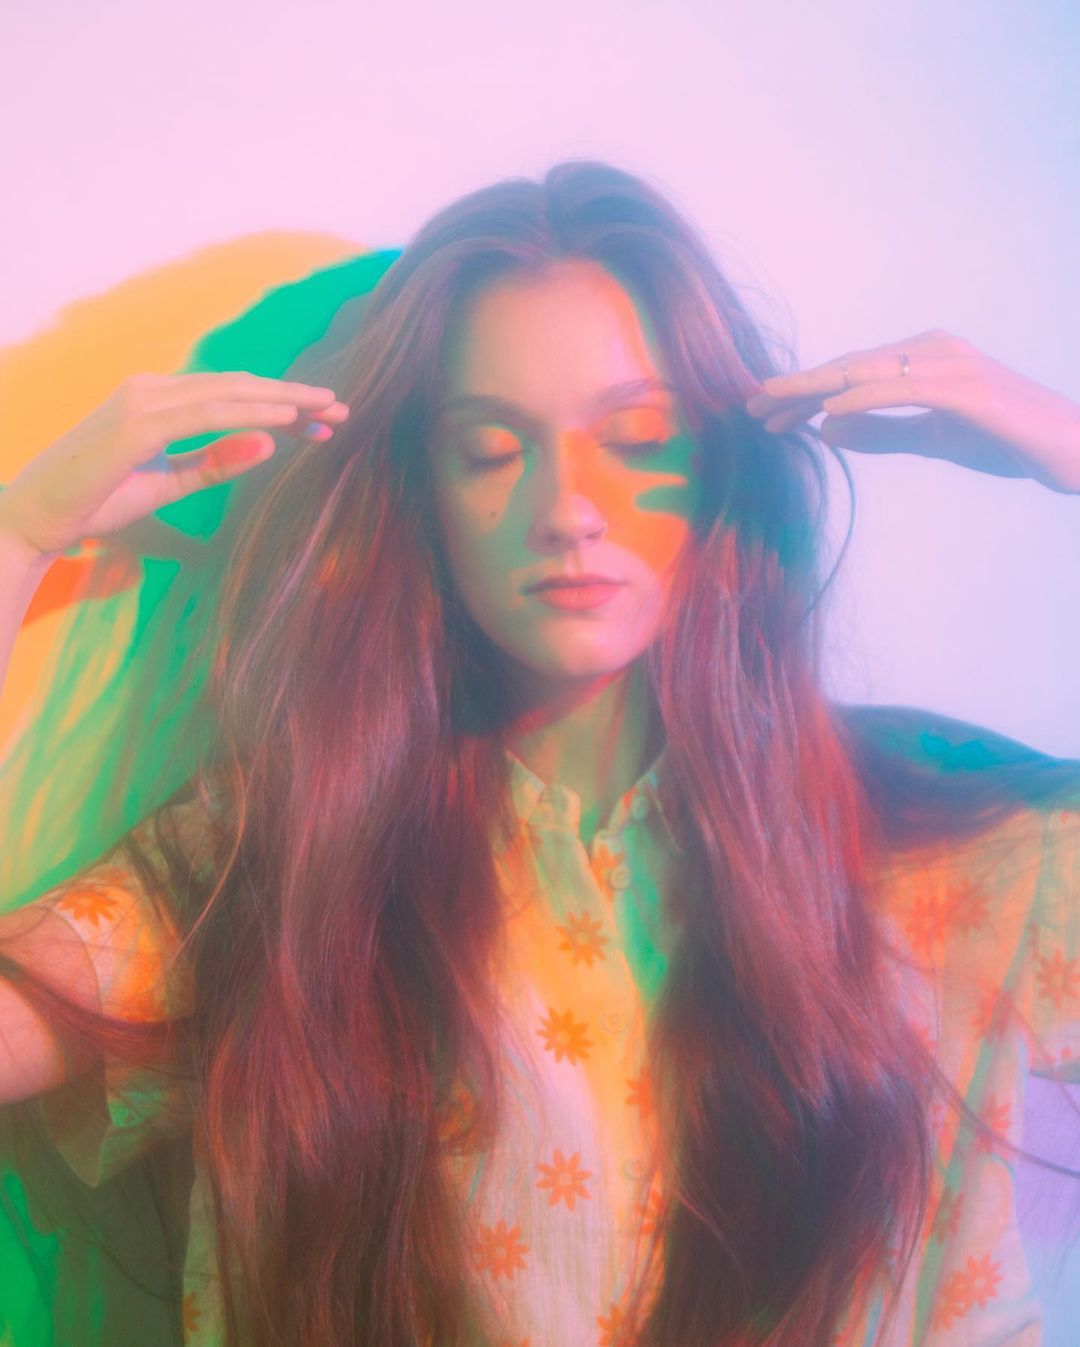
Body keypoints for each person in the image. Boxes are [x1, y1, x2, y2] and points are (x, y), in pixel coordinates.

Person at [0, 159, 1078, 1347]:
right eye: (490, 449)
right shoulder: (290, 855)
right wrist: (18, 533)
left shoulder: (935, 844)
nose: (568, 508)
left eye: (638, 436)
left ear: (719, 466)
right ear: (421, 494)